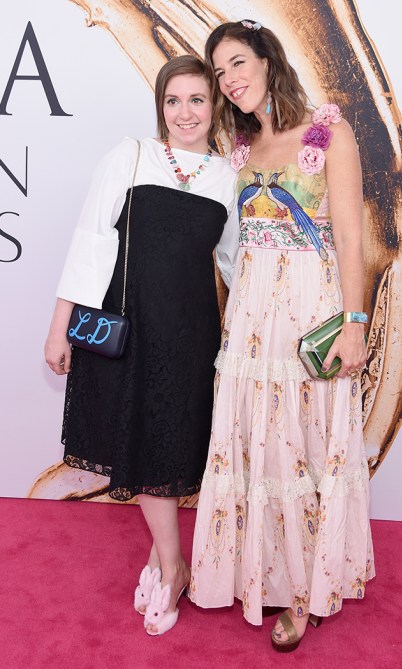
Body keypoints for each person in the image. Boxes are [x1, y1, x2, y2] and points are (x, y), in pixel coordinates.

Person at [189, 20, 375, 651]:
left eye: (238, 62)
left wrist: (355, 325)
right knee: (258, 445)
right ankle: (261, 571)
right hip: (251, 317)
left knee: (306, 443)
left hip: (310, 312)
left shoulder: (329, 132)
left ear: (268, 60)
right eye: (219, 72)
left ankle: (304, 589)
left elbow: (349, 237)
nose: (229, 79)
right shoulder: (238, 150)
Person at [44, 55, 239, 636]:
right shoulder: (130, 156)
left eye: (197, 100)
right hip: (130, 330)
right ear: (160, 107)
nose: (185, 112)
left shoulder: (228, 177)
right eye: (173, 101)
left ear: (215, 106)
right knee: (144, 445)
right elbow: (90, 240)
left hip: (191, 333)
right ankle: (174, 566)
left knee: (171, 446)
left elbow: (236, 265)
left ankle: (162, 559)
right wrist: (59, 325)